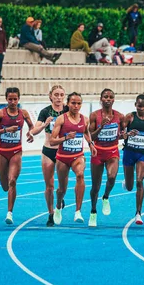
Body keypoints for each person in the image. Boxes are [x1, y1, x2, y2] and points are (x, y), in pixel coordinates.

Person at [0, 87, 34, 225]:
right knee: (4, 186)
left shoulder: (23, 113)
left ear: (19, 99)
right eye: (10, 99)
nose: (13, 102)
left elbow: (32, 126)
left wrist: (30, 133)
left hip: (16, 151)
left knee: (12, 180)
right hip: (2, 151)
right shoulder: (0, 113)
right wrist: (6, 130)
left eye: (15, 99)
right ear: (6, 99)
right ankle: (9, 196)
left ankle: (9, 213)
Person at [50, 92, 97, 225]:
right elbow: (52, 141)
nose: (76, 106)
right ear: (68, 104)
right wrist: (65, 138)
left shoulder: (85, 119)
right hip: (63, 157)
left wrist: (91, 144)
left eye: (79, 103)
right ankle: (58, 206)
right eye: (73, 103)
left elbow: (86, 132)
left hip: (78, 156)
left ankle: (78, 211)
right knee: (62, 189)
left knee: (80, 175)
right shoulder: (61, 119)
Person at [29, 85, 68, 227]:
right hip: (48, 150)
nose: (58, 97)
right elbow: (34, 130)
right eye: (56, 94)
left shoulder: (68, 110)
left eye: (61, 95)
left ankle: (59, 200)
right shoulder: (45, 111)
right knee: (49, 186)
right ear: (50, 96)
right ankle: (51, 214)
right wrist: (45, 123)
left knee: (62, 187)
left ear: (64, 96)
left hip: (64, 152)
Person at [88, 89, 124, 227]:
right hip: (98, 152)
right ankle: (93, 211)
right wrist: (101, 126)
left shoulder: (119, 117)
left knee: (111, 177)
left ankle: (106, 196)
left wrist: (124, 136)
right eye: (105, 97)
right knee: (95, 187)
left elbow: (120, 135)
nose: (108, 99)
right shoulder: (94, 116)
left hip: (112, 151)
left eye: (111, 97)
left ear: (113, 100)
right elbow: (91, 137)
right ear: (101, 99)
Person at [121, 94, 144, 225]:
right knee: (130, 186)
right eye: (139, 106)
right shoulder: (129, 117)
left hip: (142, 153)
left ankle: (138, 213)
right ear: (135, 105)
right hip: (129, 152)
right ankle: (126, 182)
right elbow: (120, 134)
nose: (142, 108)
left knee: (139, 181)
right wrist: (127, 134)